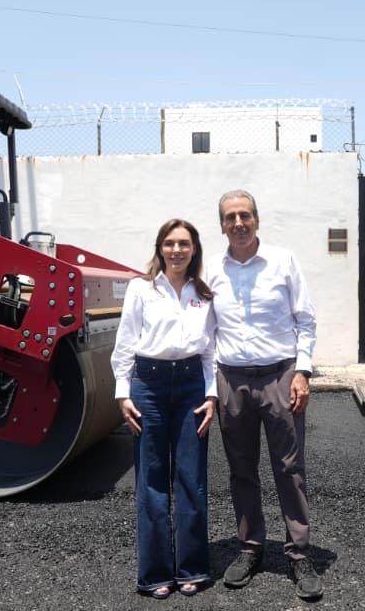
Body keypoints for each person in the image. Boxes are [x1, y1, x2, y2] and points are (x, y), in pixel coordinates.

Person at [208, 189, 322, 601]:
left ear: (257, 219)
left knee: (290, 468)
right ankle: (251, 547)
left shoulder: (283, 261)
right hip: (231, 379)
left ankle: (298, 553)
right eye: (230, 217)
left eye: (244, 215)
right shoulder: (212, 270)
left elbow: (306, 320)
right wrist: (211, 388)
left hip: (280, 376)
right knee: (241, 469)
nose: (238, 223)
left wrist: (303, 372)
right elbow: (208, 335)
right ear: (221, 224)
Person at [110, 218, 218, 600]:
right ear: (159, 248)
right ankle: (155, 572)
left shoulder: (204, 292)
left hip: (191, 386)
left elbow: (209, 350)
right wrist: (124, 393)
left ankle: (191, 567)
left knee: (191, 478)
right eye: (170, 243)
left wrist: (211, 395)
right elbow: (125, 342)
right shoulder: (141, 289)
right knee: (152, 481)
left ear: (194, 249)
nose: (177, 250)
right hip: (149, 387)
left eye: (184, 243)